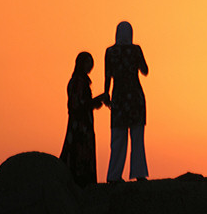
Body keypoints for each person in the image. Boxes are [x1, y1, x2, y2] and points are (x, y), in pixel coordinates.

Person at [105, 21, 149, 183]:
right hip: (135, 97)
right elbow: (145, 70)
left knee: (118, 138)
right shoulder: (135, 50)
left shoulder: (110, 52)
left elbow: (107, 76)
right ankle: (139, 173)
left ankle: (114, 175)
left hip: (118, 98)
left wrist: (106, 94)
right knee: (137, 138)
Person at [59, 52, 107, 187]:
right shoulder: (78, 82)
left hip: (82, 124)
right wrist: (98, 100)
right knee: (79, 153)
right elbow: (79, 105)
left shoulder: (80, 81)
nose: (90, 66)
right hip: (79, 126)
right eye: (87, 62)